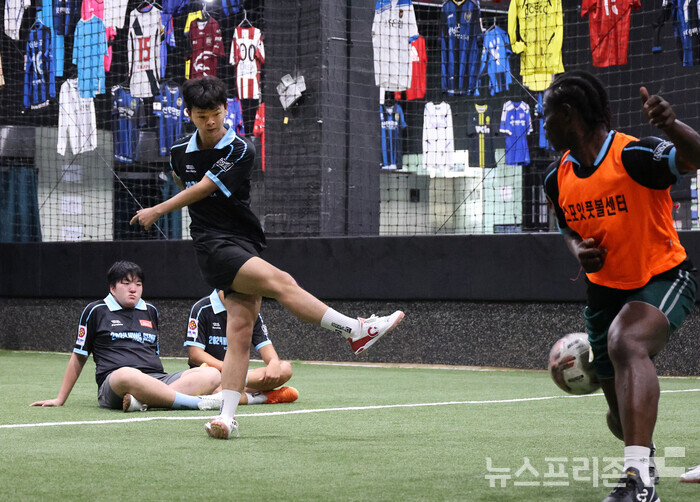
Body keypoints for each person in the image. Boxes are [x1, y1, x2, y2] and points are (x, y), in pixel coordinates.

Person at [130, 76, 404, 439]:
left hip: (243, 240)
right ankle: (354, 330)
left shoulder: (240, 149)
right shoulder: (179, 152)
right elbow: (186, 185)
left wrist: (157, 209)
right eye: (201, 115)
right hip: (212, 244)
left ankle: (226, 418)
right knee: (282, 282)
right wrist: (172, 208)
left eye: (216, 113)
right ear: (189, 114)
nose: (210, 121)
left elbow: (203, 188)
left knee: (240, 332)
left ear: (225, 110)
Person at [542, 70, 700, 502]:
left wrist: (671, 126)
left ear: (568, 114)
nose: (544, 126)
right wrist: (578, 249)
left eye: (547, 117)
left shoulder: (634, 155)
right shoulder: (556, 178)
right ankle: (644, 461)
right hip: (604, 295)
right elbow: (567, 227)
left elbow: (695, 157)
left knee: (625, 341)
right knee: (619, 418)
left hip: (662, 276)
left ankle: (638, 481)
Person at [30, 261, 223, 413]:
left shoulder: (151, 310)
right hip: (115, 383)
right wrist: (60, 398)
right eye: (126, 283)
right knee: (126, 374)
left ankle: (143, 401)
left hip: (156, 379)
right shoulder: (95, 311)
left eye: (138, 284)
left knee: (211, 373)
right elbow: (79, 356)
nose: (133, 289)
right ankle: (194, 403)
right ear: (112, 288)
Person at [185, 290, 298, 405]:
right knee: (215, 391)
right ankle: (265, 397)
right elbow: (196, 355)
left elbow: (266, 347)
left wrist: (273, 362)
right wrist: (228, 369)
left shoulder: (249, 310)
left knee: (285, 369)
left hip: (241, 377)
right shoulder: (201, 308)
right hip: (210, 377)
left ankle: (234, 387)